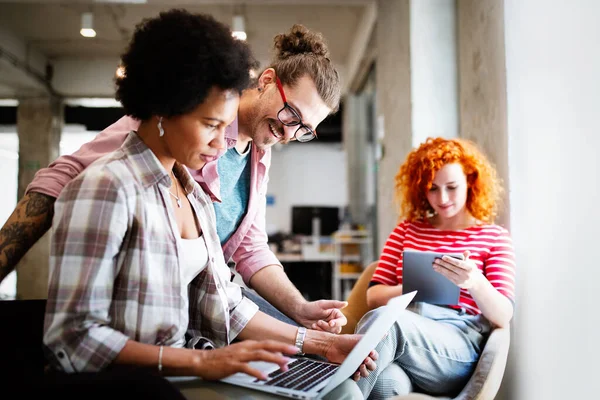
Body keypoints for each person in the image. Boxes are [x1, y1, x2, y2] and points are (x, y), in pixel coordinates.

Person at [41, 9, 372, 399]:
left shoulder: (197, 194)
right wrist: (205, 363)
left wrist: (318, 340)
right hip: (147, 378)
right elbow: (75, 339)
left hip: (195, 350)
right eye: (212, 125)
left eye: (303, 130)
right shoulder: (109, 186)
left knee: (344, 385)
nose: (221, 145)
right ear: (167, 108)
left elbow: (225, 296)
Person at [0, 23, 346, 334]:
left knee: (315, 356)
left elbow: (249, 248)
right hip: (151, 305)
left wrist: (299, 308)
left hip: (209, 296)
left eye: (303, 130)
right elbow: (68, 176)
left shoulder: (258, 153)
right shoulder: (184, 116)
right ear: (268, 81)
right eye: (291, 115)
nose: (288, 134)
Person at [353, 137, 516, 398]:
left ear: (470, 183)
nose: (442, 198)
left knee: (389, 323)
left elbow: (503, 314)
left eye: (451, 187)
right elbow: (374, 296)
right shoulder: (407, 230)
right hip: (405, 339)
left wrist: (475, 282)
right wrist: (417, 286)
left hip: (456, 345)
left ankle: (330, 393)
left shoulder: (494, 236)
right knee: (384, 382)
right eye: (432, 188)